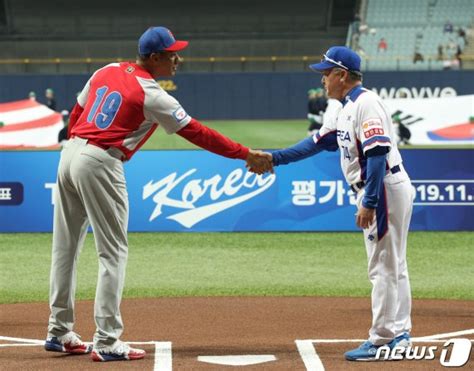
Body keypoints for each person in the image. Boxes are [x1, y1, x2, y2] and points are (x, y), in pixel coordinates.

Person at [45, 26, 272, 363]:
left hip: (70, 153)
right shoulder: (152, 94)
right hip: (101, 160)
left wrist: (75, 145)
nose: (177, 58)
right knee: (113, 253)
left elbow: (77, 113)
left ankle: (59, 330)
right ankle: (107, 340)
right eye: (171, 54)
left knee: (65, 247)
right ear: (154, 58)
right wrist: (245, 153)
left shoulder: (106, 69)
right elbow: (197, 132)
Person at [252, 46, 414, 361]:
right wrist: (274, 158)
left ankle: (383, 339)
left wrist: (368, 200)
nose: (323, 79)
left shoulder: (365, 103)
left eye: (326, 73)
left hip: (381, 189)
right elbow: (317, 143)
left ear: (342, 75)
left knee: (383, 267)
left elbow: (377, 153)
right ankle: (400, 333)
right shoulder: (344, 107)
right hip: (383, 188)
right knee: (393, 264)